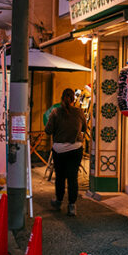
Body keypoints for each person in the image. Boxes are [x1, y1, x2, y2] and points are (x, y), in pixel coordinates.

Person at [44, 88, 86, 216]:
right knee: (73, 178)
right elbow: (84, 128)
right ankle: (72, 206)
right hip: (75, 148)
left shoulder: (55, 112)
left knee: (60, 177)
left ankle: (58, 201)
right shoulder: (79, 112)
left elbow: (48, 130)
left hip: (59, 149)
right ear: (74, 99)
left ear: (62, 98)